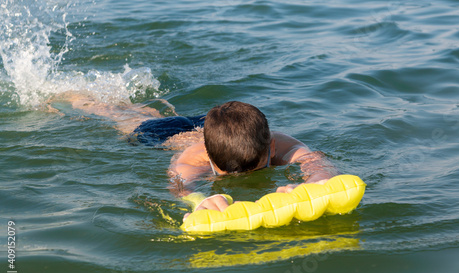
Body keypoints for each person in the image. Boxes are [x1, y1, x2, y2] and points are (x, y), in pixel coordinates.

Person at [49, 93, 339, 219]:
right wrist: (198, 200)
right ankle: (70, 98)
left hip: (213, 126)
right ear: (212, 164)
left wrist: (314, 183)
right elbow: (178, 182)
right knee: (121, 115)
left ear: (271, 149)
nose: (245, 178)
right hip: (161, 134)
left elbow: (314, 160)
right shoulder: (193, 158)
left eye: (254, 169)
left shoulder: (278, 143)